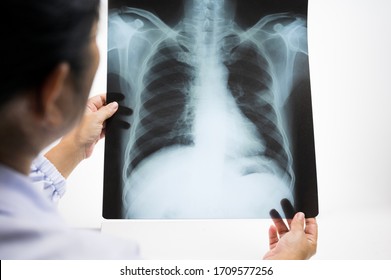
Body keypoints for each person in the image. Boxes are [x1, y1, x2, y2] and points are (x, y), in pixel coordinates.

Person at [0, 0, 317, 259]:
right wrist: (285, 266)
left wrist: (72, 149)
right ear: (53, 90)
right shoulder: (101, 260)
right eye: (93, 38)